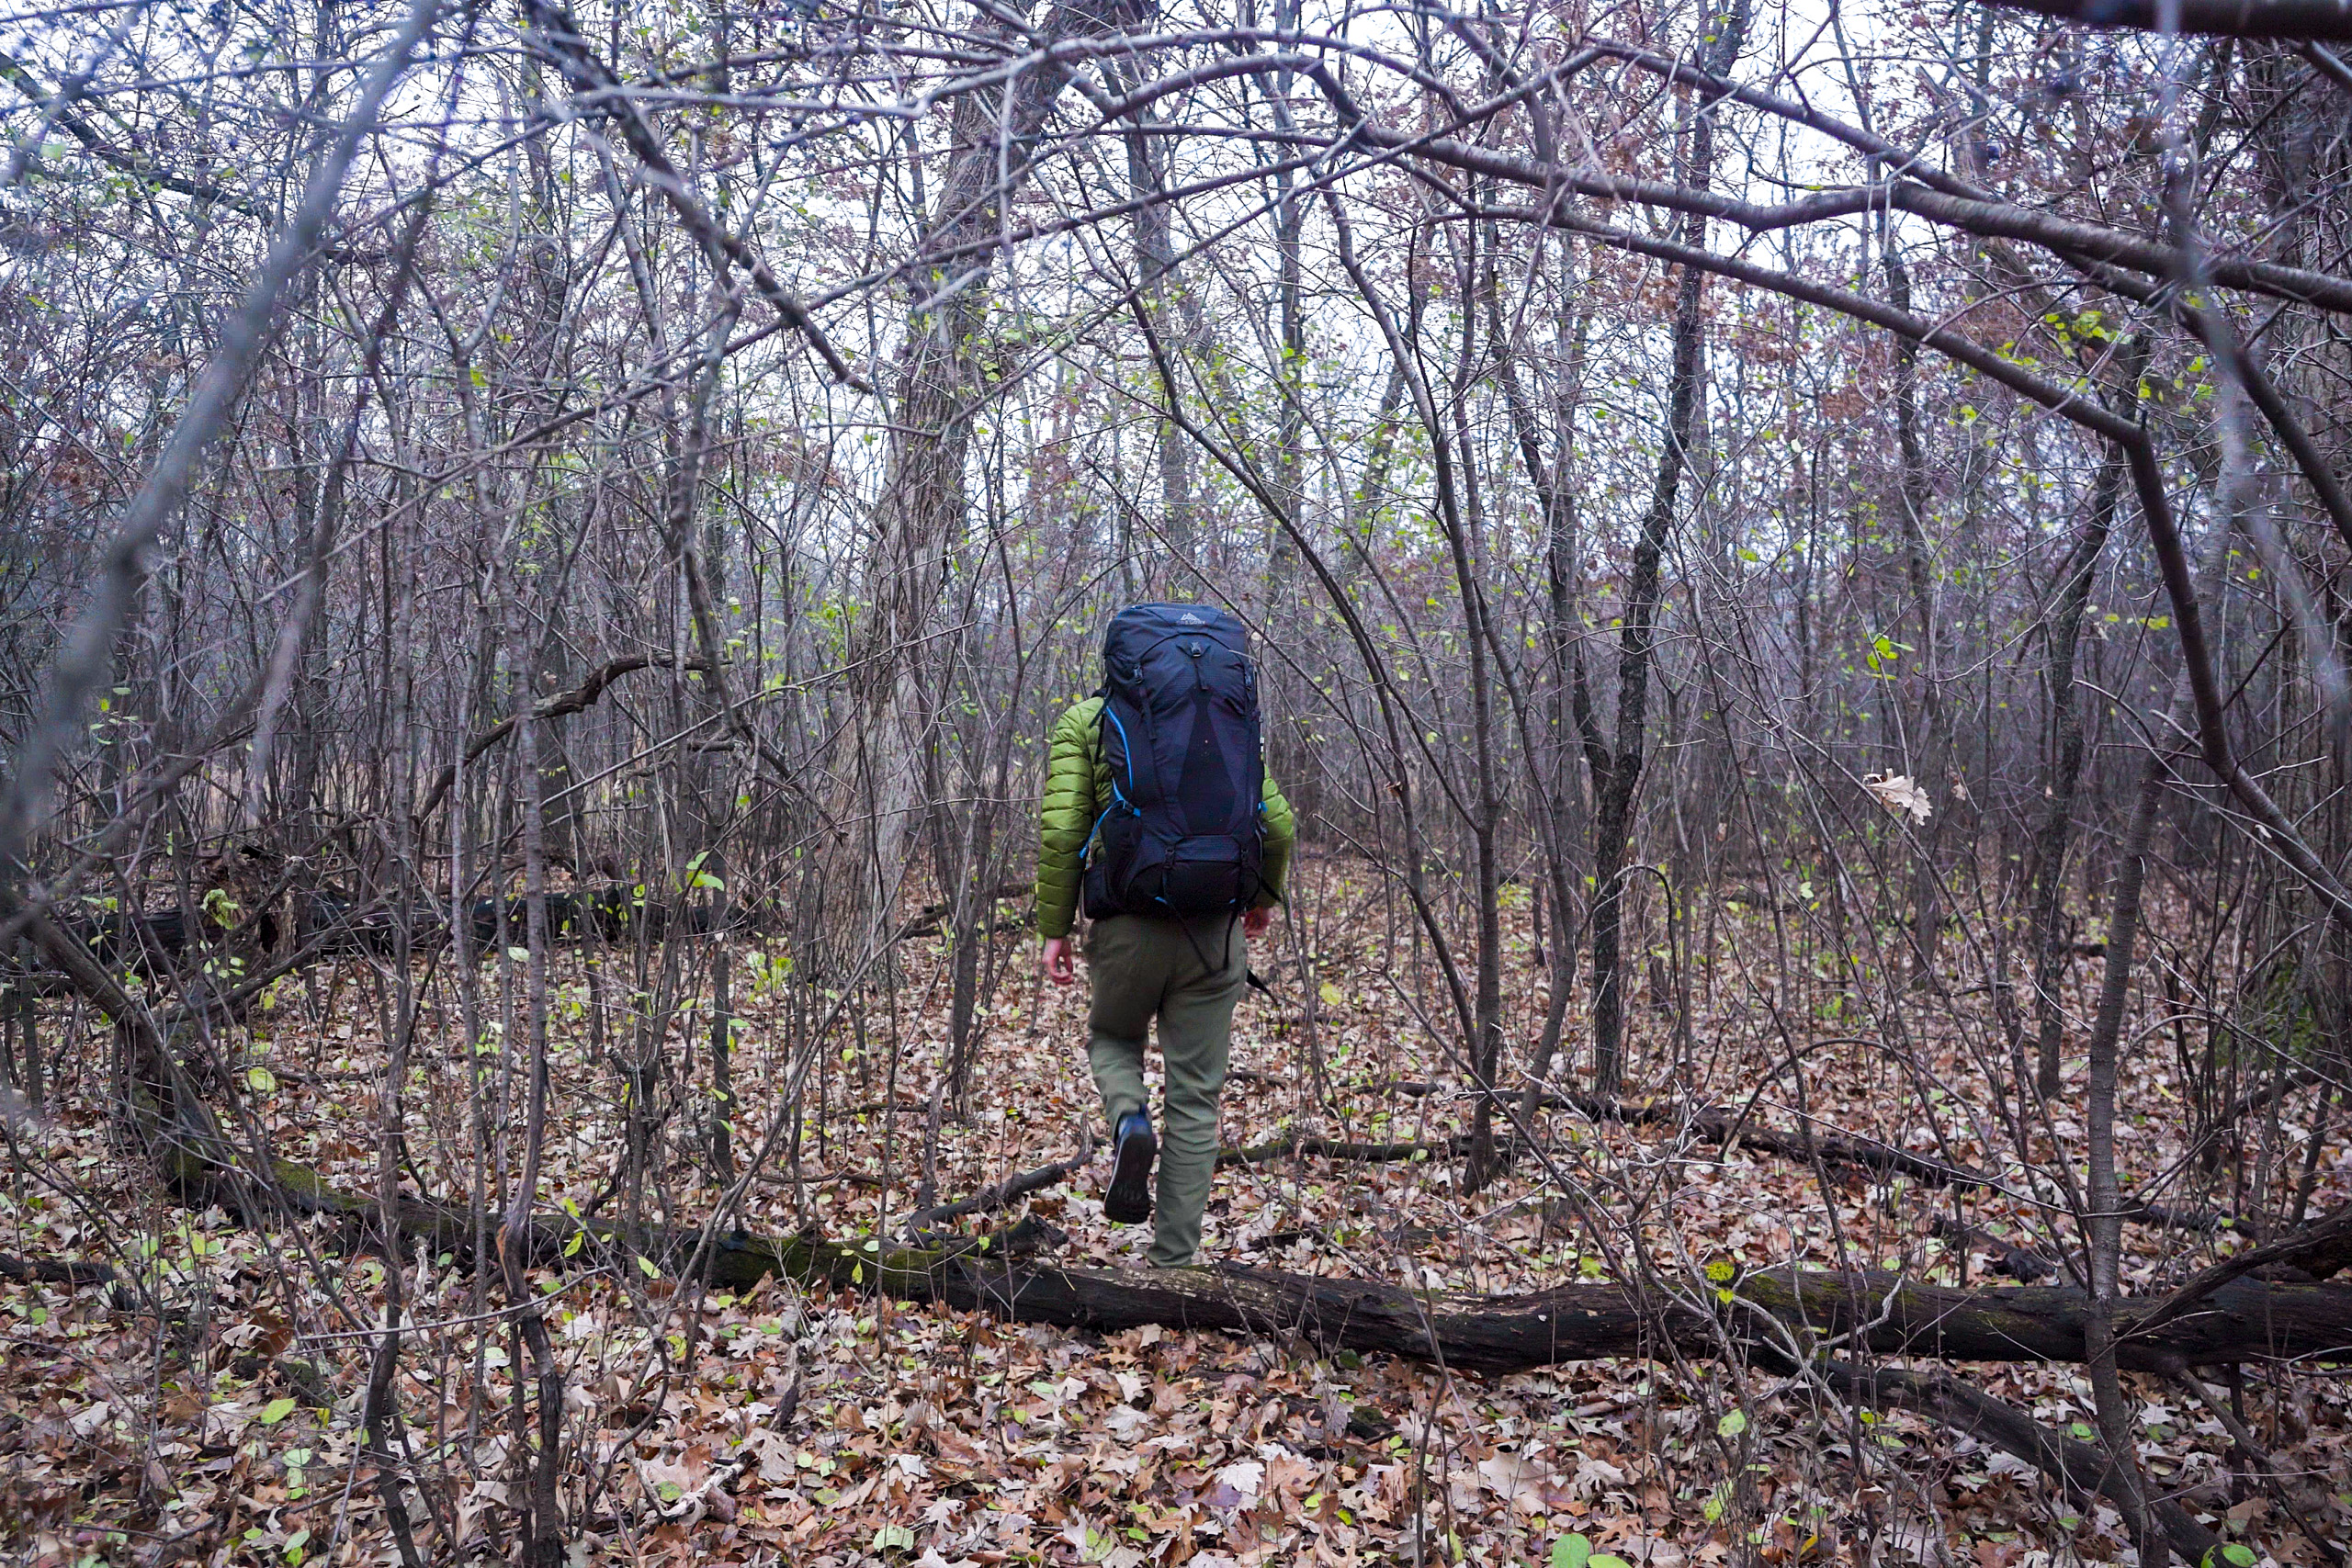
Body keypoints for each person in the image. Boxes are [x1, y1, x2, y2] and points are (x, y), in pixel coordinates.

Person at [1035, 606, 1294, 1268]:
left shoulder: (1086, 723)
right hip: (1214, 934)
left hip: (1127, 929)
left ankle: (1128, 1120)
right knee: (1197, 1096)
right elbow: (1281, 824)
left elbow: (1065, 834)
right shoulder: (1230, 722)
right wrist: (1261, 898)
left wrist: (1054, 929)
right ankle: (1174, 1260)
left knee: (1112, 1038)